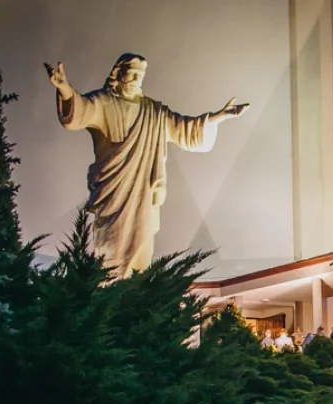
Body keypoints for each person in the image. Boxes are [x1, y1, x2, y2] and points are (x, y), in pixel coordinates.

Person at [47, 55, 249, 279]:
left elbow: (184, 129)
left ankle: (135, 297)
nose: (136, 79)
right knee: (109, 255)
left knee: (140, 257)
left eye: (140, 75)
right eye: (132, 73)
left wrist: (218, 117)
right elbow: (78, 112)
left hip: (143, 193)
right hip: (113, 193)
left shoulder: (153, 111)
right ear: (119, 73)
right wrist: (64, 88)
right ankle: (108, 298)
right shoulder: (103, 101)